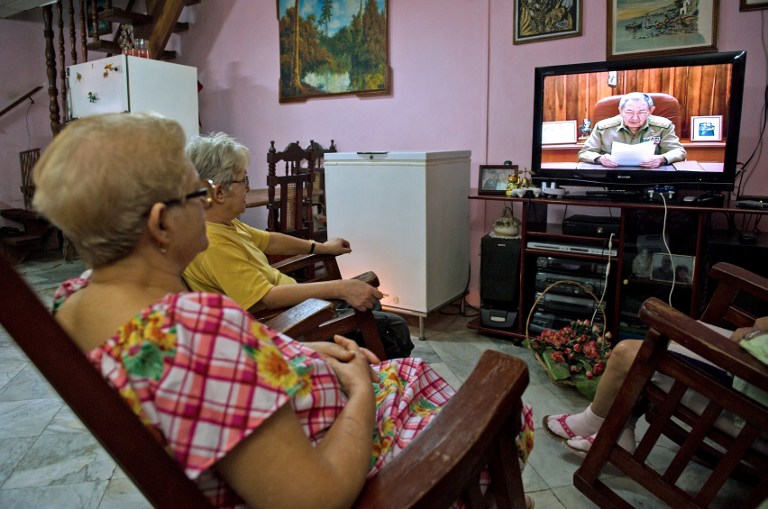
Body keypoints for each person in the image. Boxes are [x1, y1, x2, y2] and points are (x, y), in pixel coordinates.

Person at [32, 113, 535, 508]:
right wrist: (360, 391)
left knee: (408, 367)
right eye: (197, 194)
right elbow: (315, 497)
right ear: (162, 224)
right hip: (349, 441)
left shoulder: (76, 301)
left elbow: (226, 367)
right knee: (494, 399)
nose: (210, 201)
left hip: (300, 391)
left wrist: (296, 347)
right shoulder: (203, 335)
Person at [181, 132, 414, 359]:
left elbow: (269, 240)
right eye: (244, 180)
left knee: (371, 307)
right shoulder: (212, 244)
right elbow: (267, 297)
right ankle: (381, 386)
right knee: (392, 329)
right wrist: (341, 287)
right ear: (219, 192)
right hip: (287, 323)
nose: (249, 188)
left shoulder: (224, 225)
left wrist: (320, 247)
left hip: (295, 307)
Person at [543, 315, 768, 455]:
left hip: (750, 389)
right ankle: (620, 433)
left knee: (628, 354)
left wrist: (755, 332)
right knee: (683, 332)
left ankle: (592, 422)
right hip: (756, 364)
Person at [578, 92, 687, 168]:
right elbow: (585, 153)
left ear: (650, 111)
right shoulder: (603, 128)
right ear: (620, 110)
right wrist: (600, 159)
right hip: (612, 176)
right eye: (629, 112)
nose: (635, 118)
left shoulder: (663, 126)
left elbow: (679, 152)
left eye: (641, 112)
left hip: (650, 176)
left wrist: (661, 158)